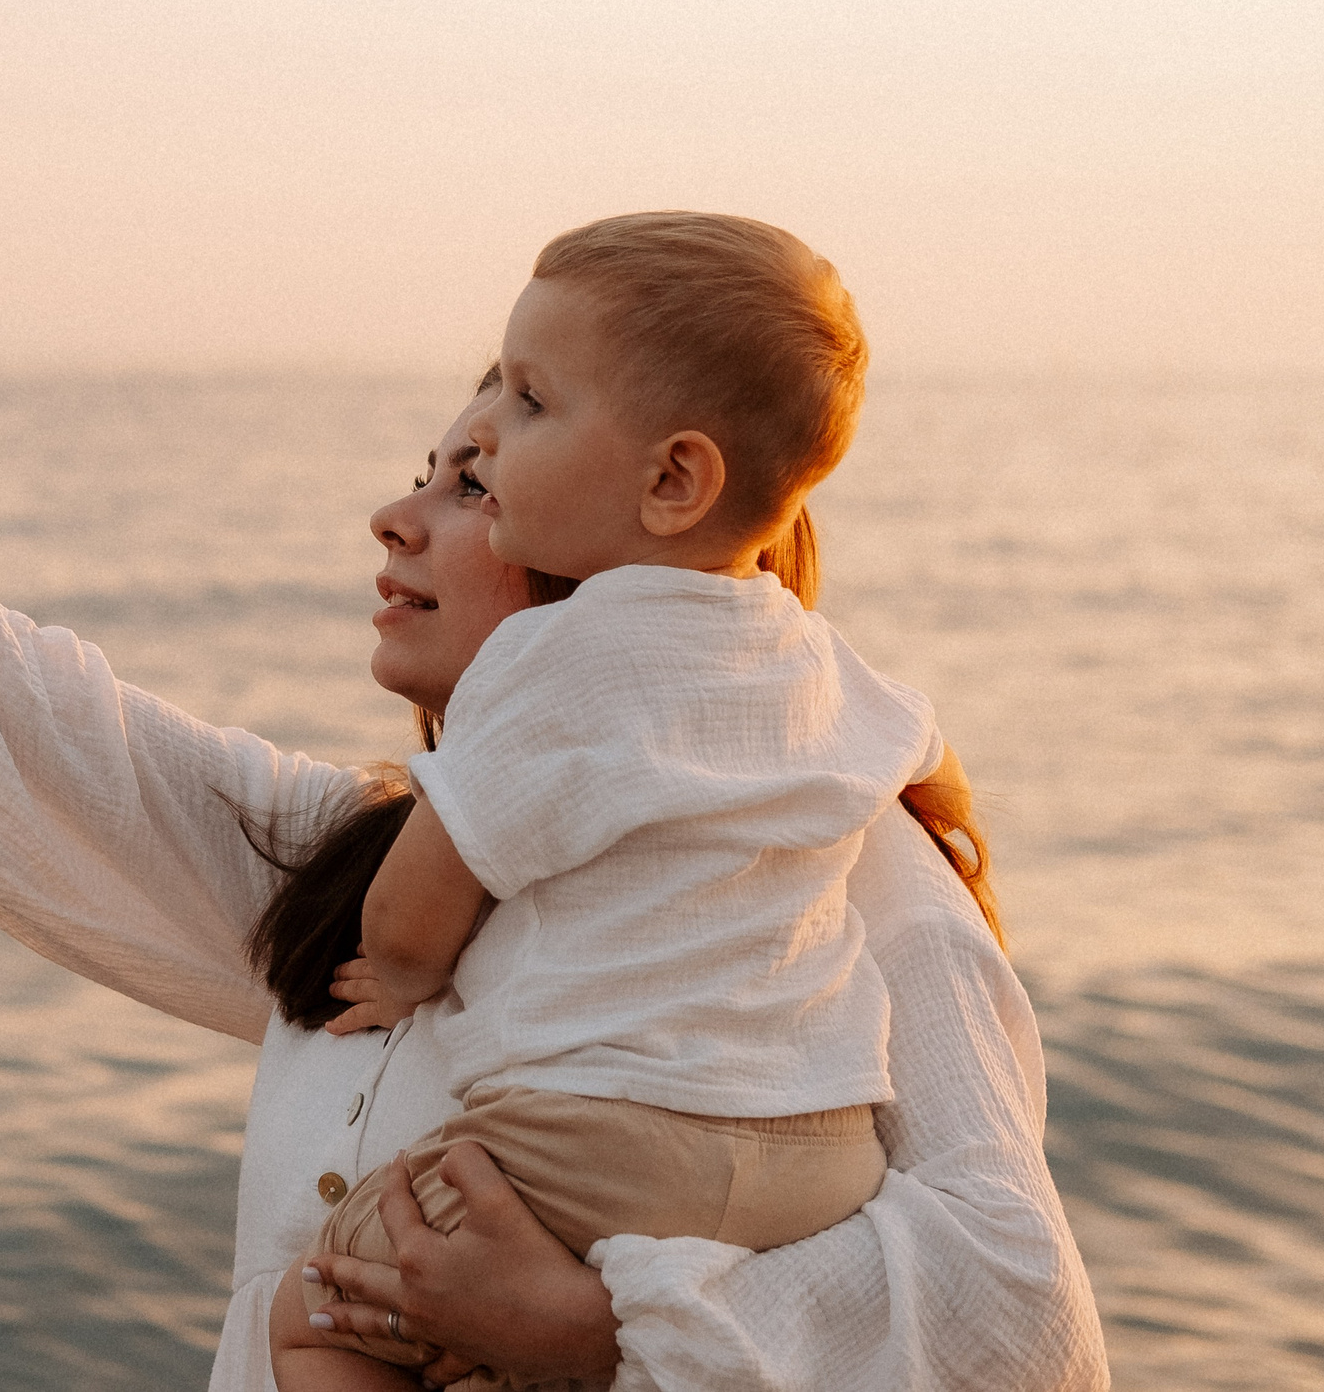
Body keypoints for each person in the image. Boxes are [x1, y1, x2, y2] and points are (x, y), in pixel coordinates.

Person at [0, 134, 1109, 1389]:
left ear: (633, 546)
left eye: (471, 476)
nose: (404, 505)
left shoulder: (829, 871)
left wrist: (601, 1337)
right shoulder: (345, 867)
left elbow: (1024, 1318)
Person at [271, 215, 935, 1392]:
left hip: (615, 1142)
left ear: (673, 479)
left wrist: (405, 973)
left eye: (524, 410)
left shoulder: (555, 657)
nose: (496, 440)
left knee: (320, 1312)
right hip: (824, 1162)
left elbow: (410, 913)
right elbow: (908, 746)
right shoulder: (820, 665)